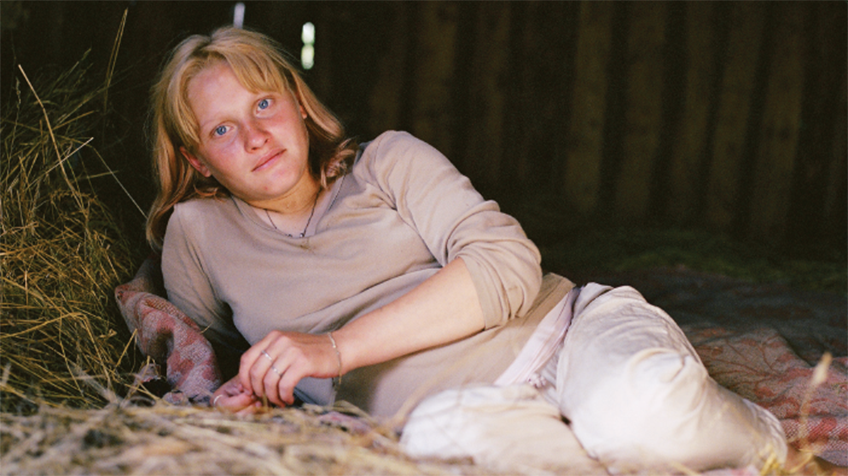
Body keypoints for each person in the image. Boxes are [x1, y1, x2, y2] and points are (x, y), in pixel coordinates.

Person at [144, 26, 834, 474]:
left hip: (566, 338)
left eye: (263, 104)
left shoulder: (385, 163)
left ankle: (763, 439)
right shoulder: (198, 236)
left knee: (634, 416)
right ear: (197, 160)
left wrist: (336, 349)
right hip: (461, 414)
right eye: (222, 130)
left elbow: (506, 263)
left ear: (297, 102)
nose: (255, 136)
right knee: (437, 442)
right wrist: (247, 394)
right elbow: (211, 357)